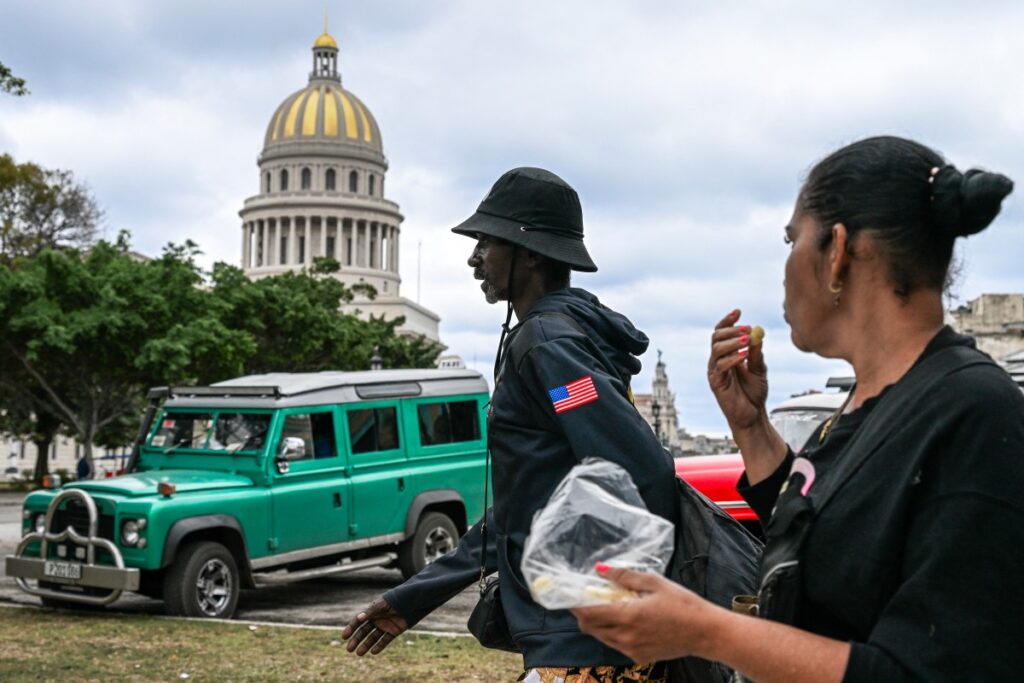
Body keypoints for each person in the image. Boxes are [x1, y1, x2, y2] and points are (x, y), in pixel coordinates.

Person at [571, 136, 1023, 682]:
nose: (784, 268)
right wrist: (751, 425)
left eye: (790, 240)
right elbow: (832, 542)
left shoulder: (975, 416)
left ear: (836, 252)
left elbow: (928, 671)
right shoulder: (873, 399)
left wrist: (703, 629)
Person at [343, 167, 679, 682]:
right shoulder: (551, 338)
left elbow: (645, 470)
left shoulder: (550, 346)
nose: (474, 257)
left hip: (586, 641)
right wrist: (416, 597)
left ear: (531, 252)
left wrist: (598, 595)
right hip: (571, 636)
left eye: (486, 241)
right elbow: (524, 507)